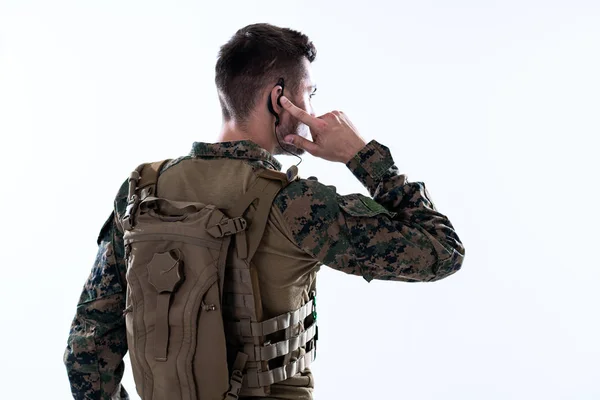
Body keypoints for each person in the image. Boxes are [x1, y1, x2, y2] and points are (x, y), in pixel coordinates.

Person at [64, 23, 465, 400]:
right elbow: (443, 251)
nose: (312, 110)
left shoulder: (141, 190)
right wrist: (361, 155)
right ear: (278, 99)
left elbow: (87, 346)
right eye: (309, 94)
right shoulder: (297, 205)